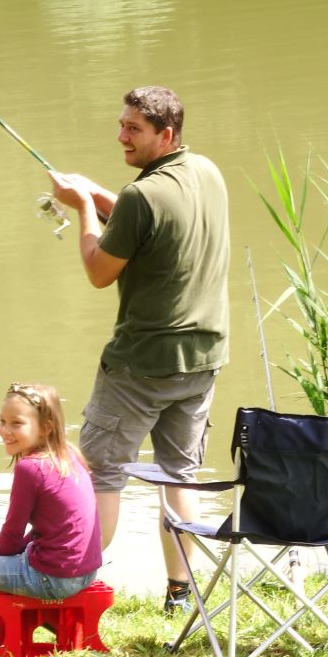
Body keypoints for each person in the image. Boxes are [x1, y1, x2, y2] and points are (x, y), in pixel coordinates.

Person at [47, 86, 230, 615]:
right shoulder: (206, 172)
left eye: (134, 129)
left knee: (102, 473)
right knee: (178, 474)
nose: (121, 136)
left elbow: (99, 270)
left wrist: (85, 207)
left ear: (165, 135)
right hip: (203, 359)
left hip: (140, 364)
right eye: (121, 124)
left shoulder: (139, 197)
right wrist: (98, 192)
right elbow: (147, 218)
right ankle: (180, 593)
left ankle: (70, 588)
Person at [0, 382, 102, 653]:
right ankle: (57, 624)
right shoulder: (70, 454)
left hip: (53, 578)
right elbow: (48, 528)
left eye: (17, 423)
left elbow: (12, 531)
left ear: (46, 427)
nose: (5, 431)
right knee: (20, 552)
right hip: (86, 572)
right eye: (2, 421)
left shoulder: (30, 467)